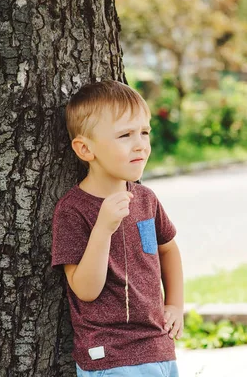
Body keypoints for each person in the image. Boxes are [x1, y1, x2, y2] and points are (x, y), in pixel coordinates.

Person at [51, 80, 184, 377]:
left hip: (159, 348)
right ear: (86, 149)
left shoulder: (145, 199)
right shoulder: (73, 210)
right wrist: (103, 229)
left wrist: (175, 304)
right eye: (125, 135)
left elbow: (167, 249)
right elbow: (85, 289)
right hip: (109, 358)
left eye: (145, 132)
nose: (140, 144)